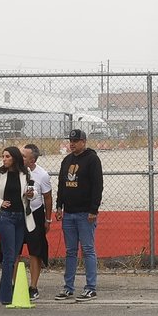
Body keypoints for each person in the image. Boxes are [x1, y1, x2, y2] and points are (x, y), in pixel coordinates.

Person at [0, 145, 36, 304]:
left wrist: (31, 194)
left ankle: (9, 292)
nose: (4, 159)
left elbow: (33, 191)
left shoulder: (25, 173)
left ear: (15, 158)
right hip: (5, 218)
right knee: (9, 256)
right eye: (3, 156)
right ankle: (5, 296)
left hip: (20, 218)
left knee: (15, 254)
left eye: (7, 157)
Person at [54, 128, 103, 302]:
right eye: (70, 141)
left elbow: (98, 186)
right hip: (69, 214)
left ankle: (91, 288)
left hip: (85, 214)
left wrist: (93, 210)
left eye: (76, 141)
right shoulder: (67, 160)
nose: (72, 144)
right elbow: (61, 184)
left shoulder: (92, 160)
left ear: (84, 142)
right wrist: (59, 206)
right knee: (70, 251)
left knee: (88, 250)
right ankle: (68, 287)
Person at [21, 143, 53, 301]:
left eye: (24, 157)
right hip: (18, 215)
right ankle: (14, 284)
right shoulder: (15, 171)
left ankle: (33, 286)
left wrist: (48, 219)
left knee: (36, 251)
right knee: (13, 250)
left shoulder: (42, 175)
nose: (20, 159)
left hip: (35, 214)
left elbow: (47, 198)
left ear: (32, 160)